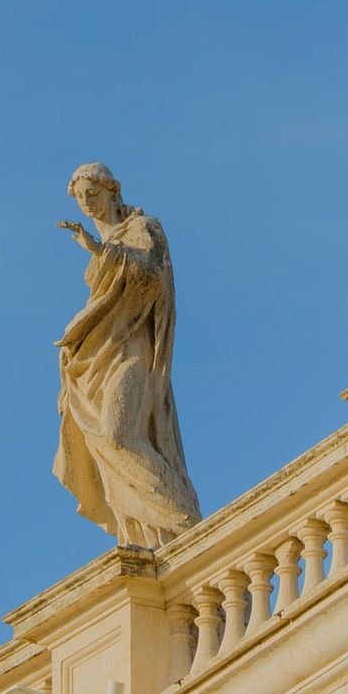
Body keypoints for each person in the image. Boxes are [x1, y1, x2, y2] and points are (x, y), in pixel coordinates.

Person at [53, 165, 199, 541]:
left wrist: (103, 251)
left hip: (134, 350)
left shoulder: (143, 229)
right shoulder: (110, 244)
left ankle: (183, 523)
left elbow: (150, 277)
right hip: (100, 357)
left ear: (112, 191)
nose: (87, 202)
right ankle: (143, 535)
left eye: (93, 192)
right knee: (106, 440)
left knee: (118, 434)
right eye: (81, 196)